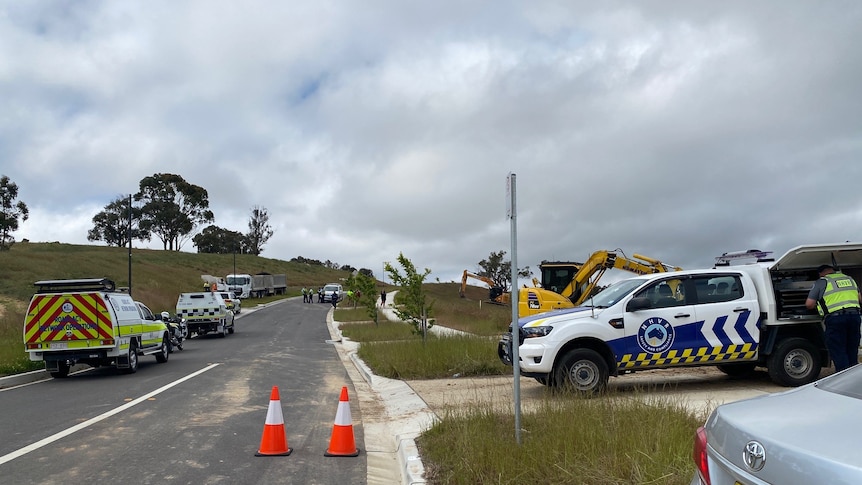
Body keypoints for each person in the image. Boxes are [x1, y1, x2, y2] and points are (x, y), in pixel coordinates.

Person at [805, 264, 862, 372]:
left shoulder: (821, 282)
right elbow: (859, 298)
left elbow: (809, 304)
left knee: (838, 349)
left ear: (821, 273)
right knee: (852, 349)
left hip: (836, 319)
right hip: (854, 317)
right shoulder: (849, 279)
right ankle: (854, 378)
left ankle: (842, 378)